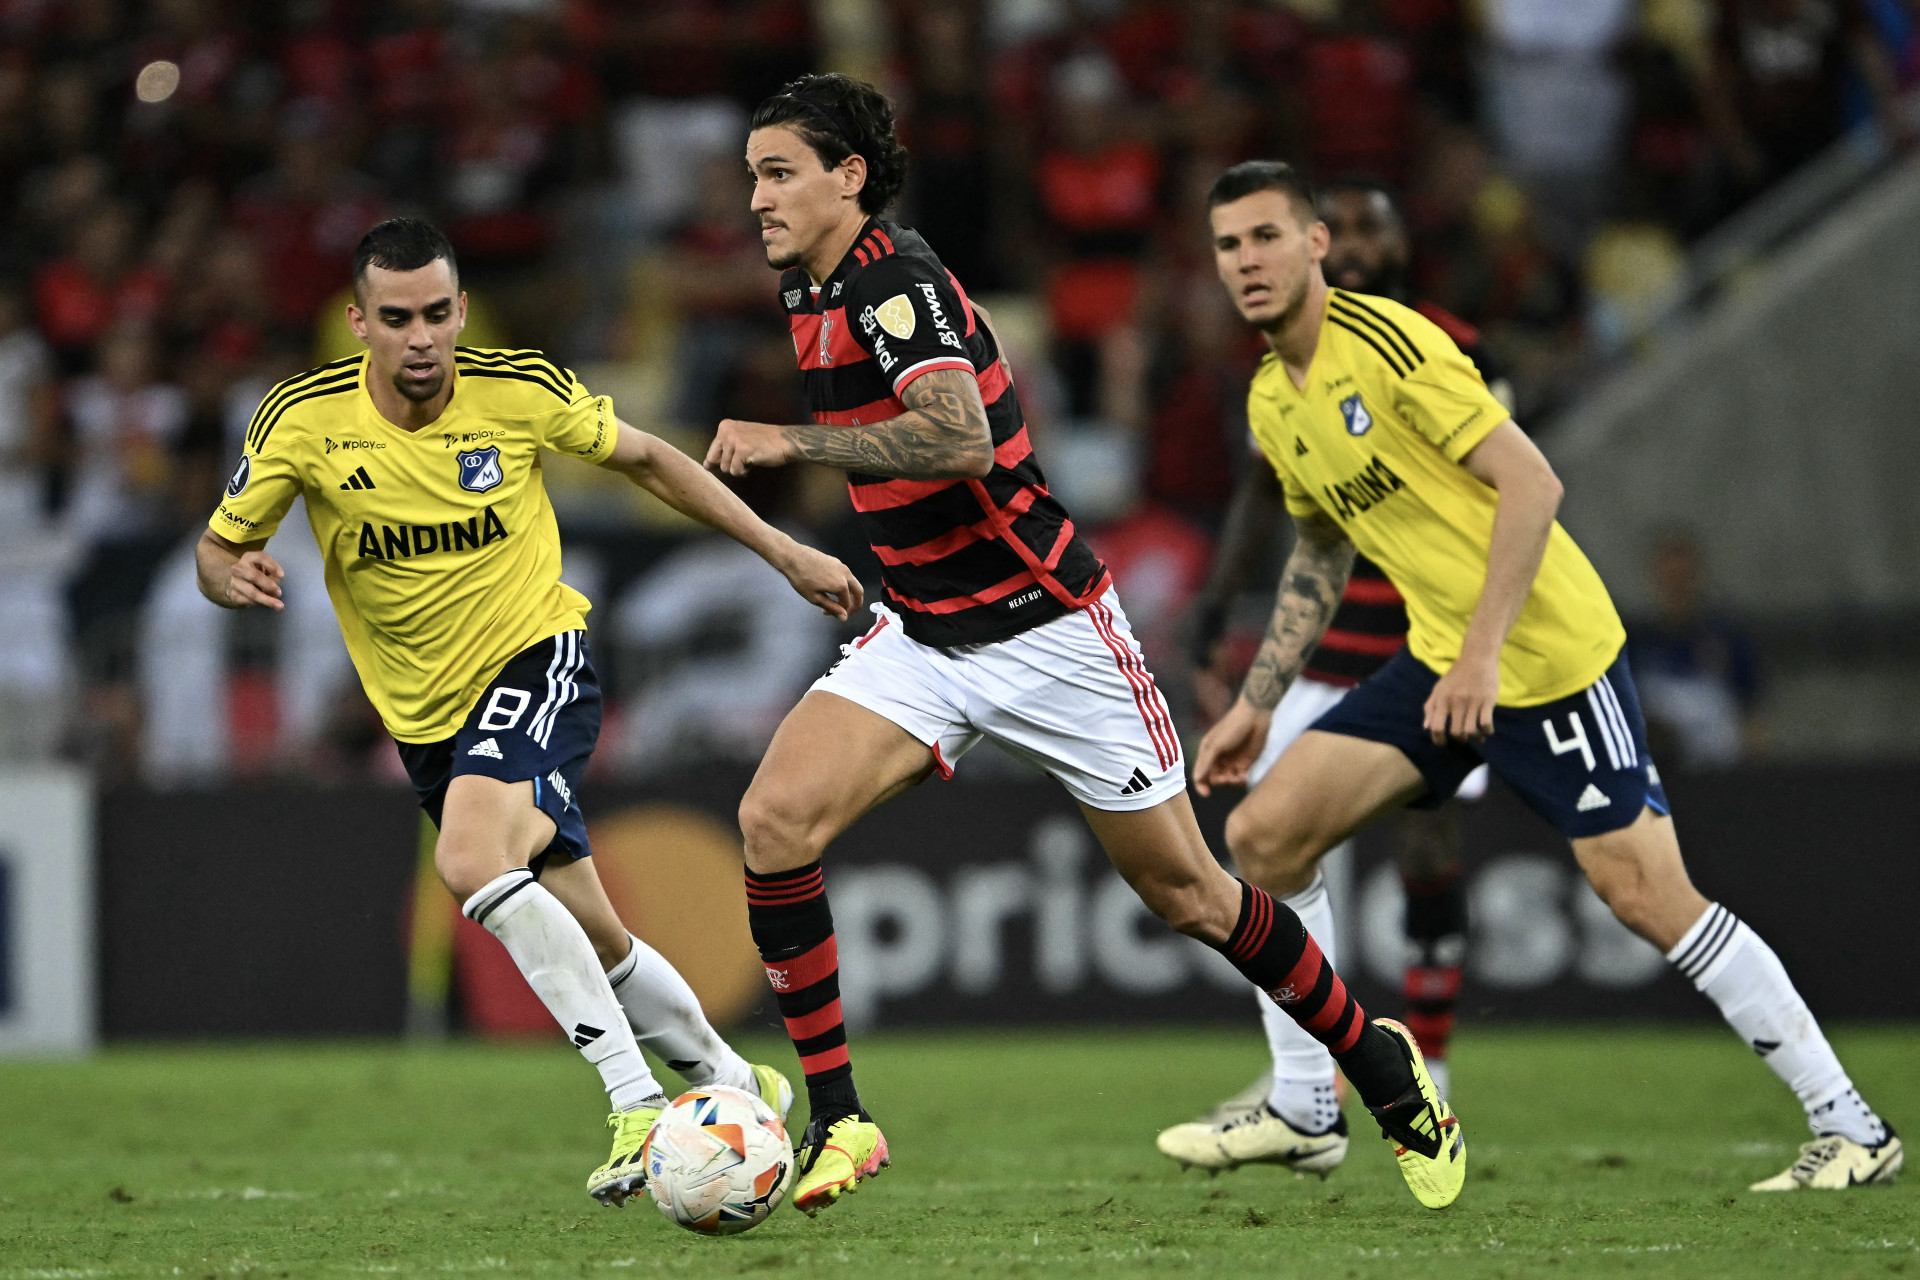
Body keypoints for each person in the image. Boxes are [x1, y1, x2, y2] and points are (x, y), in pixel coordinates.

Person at [704, 74, 1465, 1217]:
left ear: (847, 177)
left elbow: (959, 439)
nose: (754, 195)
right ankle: (843, 1116)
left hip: (1049, 629)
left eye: (778, 172)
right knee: (773, 821)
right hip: (926, 631)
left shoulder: (893, 282)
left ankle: (1379, 1062)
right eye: (753, 173)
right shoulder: (806, 285)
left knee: (1194, 898)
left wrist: (787, 438)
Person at [1196, 160, 1900, 1193]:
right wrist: (1259, 702)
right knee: (1263, 834)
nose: (1247, 261)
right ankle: (1307, 1104)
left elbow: (1534, 480)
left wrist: (1484, 652)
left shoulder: (1393, 344)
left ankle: (1853, 1125)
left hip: (1548, 658)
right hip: (1445, 662)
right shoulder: (1271, 396)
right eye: (1228, 245)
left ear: (1315, 245)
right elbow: (1319, 546)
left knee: (1646, 892)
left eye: (1266, 236)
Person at [193, 218, 861, 1207]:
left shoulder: (519, 389)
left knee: (470, 860)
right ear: (358, 323)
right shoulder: (299, 419)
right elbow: (213, 547)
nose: (420, 337)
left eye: (435, 314)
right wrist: (228, 572)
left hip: (536, 659)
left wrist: (786, 548)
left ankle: (634, 1100)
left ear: (461, 310)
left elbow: (650, 461)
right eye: (396, 318)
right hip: (428, 727)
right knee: (596, 934)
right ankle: (734, 1077)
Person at [1160, 178, 1500, 1178]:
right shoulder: (1280, 367)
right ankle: (1309, 1085)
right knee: (1265, 849)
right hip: (1324, 647)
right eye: (1338, 229)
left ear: (1396, 242)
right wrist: (1222, 609)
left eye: (1367, 228)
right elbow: (1275, 505)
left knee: (1428, 848)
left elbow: (1497, 488)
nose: (1351, 246)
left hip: (1426, 647)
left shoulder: (1438, 342)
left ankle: (1425, 1066)